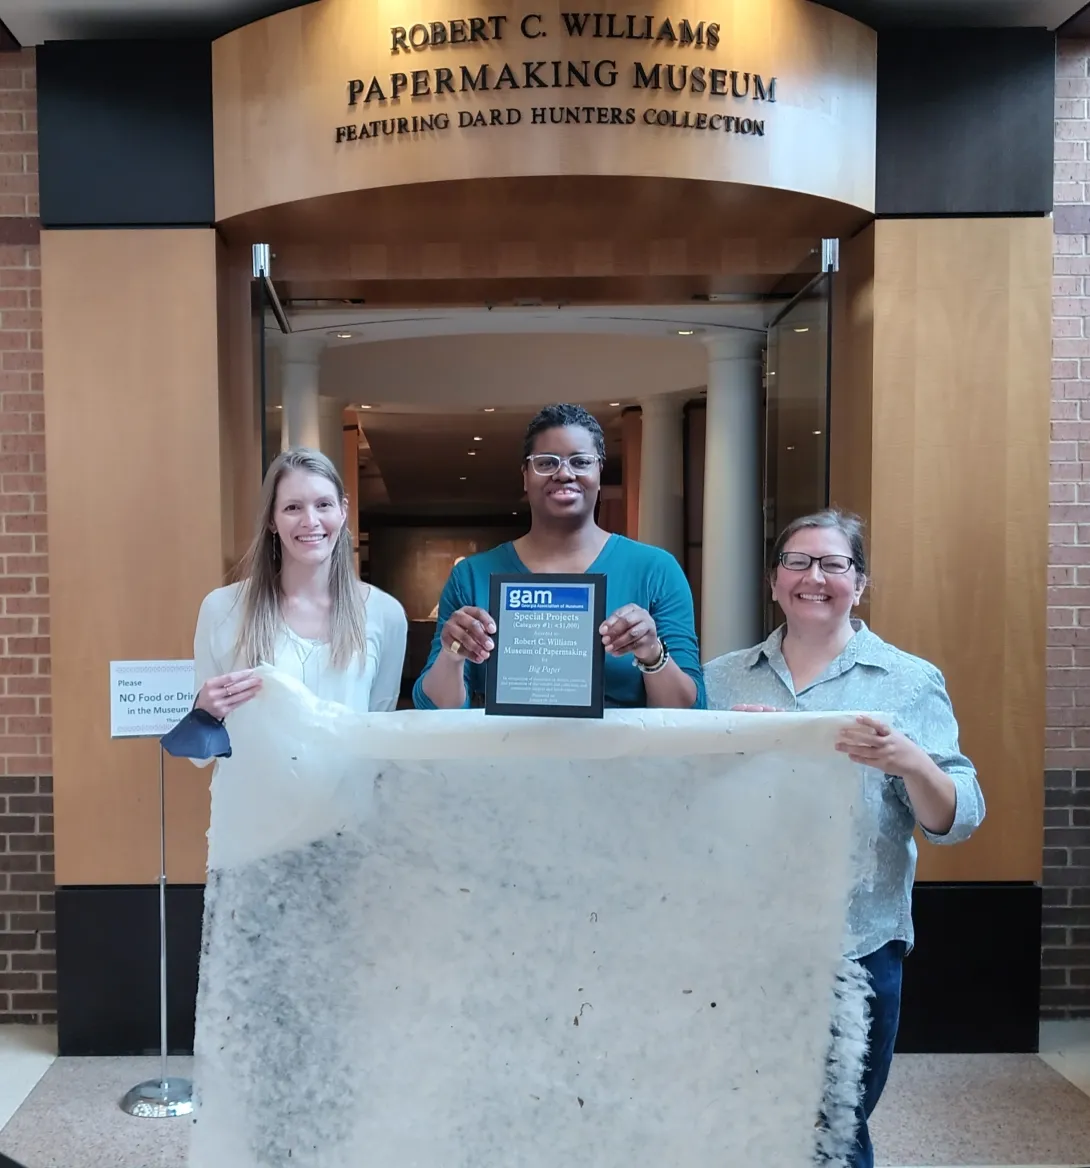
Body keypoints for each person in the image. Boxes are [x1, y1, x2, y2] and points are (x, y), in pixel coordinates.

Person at [702, 509, 985, 1168]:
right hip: (740, 942)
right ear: (774, 581)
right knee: (744, 1122)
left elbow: (960, 816)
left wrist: (909, 759)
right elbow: (687, 806)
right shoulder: (721, 681)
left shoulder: (907, 681)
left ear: (859, 583)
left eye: (834, 564)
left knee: (833, 1133)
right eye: (798, 562)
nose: (814, 577)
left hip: (856, 944)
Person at [413, 403, 705, 710]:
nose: (564, 474)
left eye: (581, 462)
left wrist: (651, 653)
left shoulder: (655, 570)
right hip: (506, 755)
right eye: (546, 463)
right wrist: (452, 654)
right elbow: (434, 711)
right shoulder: (472, 576)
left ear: (598, 472)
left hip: (621, 757)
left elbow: (691, 711)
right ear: (525, 476)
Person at [191, 447, 407, 735]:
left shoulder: (385, 614)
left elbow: (380, 738)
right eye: (293, 507)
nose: (310, 521)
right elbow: (199, 754)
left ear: (343, 510)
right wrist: (204, 713)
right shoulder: (221, 608)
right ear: (271, 520)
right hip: (252, 781)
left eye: (323, 505)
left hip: (346, 782)